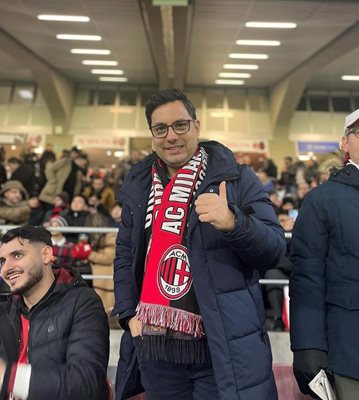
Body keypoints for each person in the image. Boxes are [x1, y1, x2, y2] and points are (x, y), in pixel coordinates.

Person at [113, 88, 286, 400]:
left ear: (196, 125)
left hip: (221, 347)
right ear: (151, 134)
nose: (171, 136)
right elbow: (125, 254)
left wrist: (234, 223)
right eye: (160, 129)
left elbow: (274, 249)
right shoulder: (139, 185)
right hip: (155, 348)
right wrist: (127, 315)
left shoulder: (235, 179)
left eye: (180, 125)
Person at [290, 109, 359, 400]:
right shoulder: (323, 200)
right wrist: (308, 346)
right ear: (345, 143)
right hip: (350, 351)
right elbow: (307, 278)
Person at [0, 225, 109, 400]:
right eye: (2, 261)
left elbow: (86, 384)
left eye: (17, 255)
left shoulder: (82, 302)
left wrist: (9, 378)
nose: (6, 268)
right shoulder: (5, 310)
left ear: (46, 255)